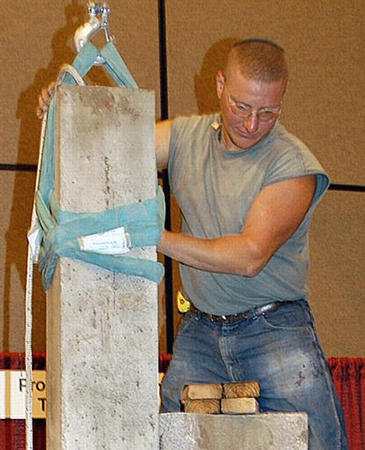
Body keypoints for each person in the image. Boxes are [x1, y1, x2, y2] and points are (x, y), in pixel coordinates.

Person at [38, 38, 348, 449]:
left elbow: (250, 256)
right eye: (241, 106)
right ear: (220, 85)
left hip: (275, 330)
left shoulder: (293, 165)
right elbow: (109, 146)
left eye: (267, 112)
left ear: (282, 102)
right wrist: (62, 111)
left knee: (319, 443)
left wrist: (157, 238)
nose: (251, 124)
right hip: (202, 329)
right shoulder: (187, 137)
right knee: (162, 440)